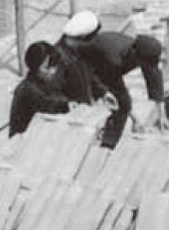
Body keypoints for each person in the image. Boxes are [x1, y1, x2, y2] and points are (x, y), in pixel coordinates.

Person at [62, 10, 168, 148]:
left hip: (98, 62)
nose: (148, 67)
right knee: (116, 105)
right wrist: (135, 120)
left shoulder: (141, 52)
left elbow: (154, 78)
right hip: (78, 62)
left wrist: (161, 115)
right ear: (135, 55)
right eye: (146, 63)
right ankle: (106, 145)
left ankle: (107, 135)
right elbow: (119, 92)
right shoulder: (114, 59)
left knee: (118, 103)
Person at [9, 41, 71, 137]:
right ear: (35, 67)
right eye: (47, 68)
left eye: (54, 66)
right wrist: (69, 104)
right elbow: (49, 104)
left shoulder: (42, 81)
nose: (52, 71)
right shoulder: (29, 89)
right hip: (22, 141)